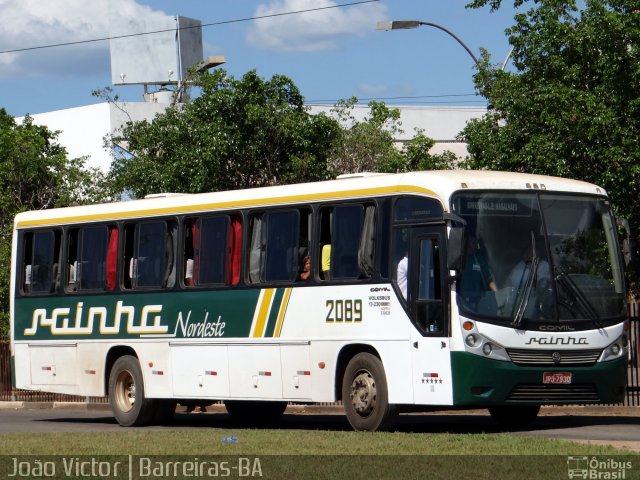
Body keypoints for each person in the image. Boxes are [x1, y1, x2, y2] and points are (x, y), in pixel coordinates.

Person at [459, 236, 497, 309]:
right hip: (460, 301)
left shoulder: (479, 260)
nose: (476, 246)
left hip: (476, 302)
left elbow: (489, 279)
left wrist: (497, 293)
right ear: (466, 243)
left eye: (476, 243)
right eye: (473, 243)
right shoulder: (458, 259)